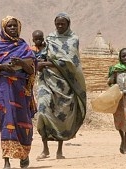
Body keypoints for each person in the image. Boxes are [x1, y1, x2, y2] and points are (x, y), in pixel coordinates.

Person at [0, 16, 37, 169]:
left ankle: (24, 155)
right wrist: (2, 68)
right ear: (4, 29)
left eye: (15, 26)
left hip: (21, 90)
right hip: (4, 89)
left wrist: (21, 63)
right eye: (9, 26)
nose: (13, 29)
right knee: (7, 120)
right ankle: (6, 159)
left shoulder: (24, 47)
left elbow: (32, 69)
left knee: (24, 121)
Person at [36, 12, 87, 160]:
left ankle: (59, 150)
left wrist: (45, 63)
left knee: (61, 116)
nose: (59, 26)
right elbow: (43, 55)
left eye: (62, 24)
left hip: (65, 83)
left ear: (68, 24)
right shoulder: (50, 39)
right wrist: (39, 62)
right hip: (47, 81)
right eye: (57, 23)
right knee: (43, 112)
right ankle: (45, 149)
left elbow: (70, 62)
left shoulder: (73, 39)